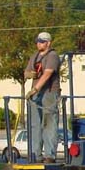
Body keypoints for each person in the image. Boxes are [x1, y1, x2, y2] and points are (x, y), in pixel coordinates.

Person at [24, 31, 61, 163]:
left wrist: (35, 88)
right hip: (35, 95)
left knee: (49, 123)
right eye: (38, 41)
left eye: (42, 41)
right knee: (35, 124)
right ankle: (35, 154)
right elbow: (26, 72)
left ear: (48, 43)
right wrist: (29, 75)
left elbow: (47, 74)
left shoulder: (53, 56)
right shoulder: (34, 56)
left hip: (50, 93)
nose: (39, 44)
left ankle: (50, 155)